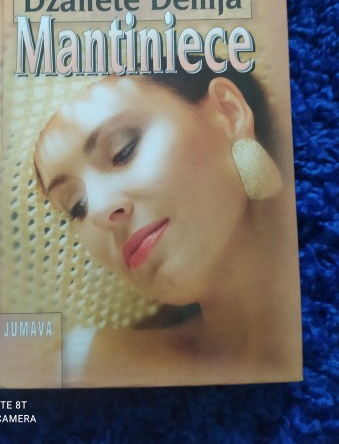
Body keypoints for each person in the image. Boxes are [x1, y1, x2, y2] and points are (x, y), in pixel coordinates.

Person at [33, 66, 301, 387]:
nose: (99, 210)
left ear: (229, 113)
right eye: (77, 205)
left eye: (122, 151)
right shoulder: (83, 367)